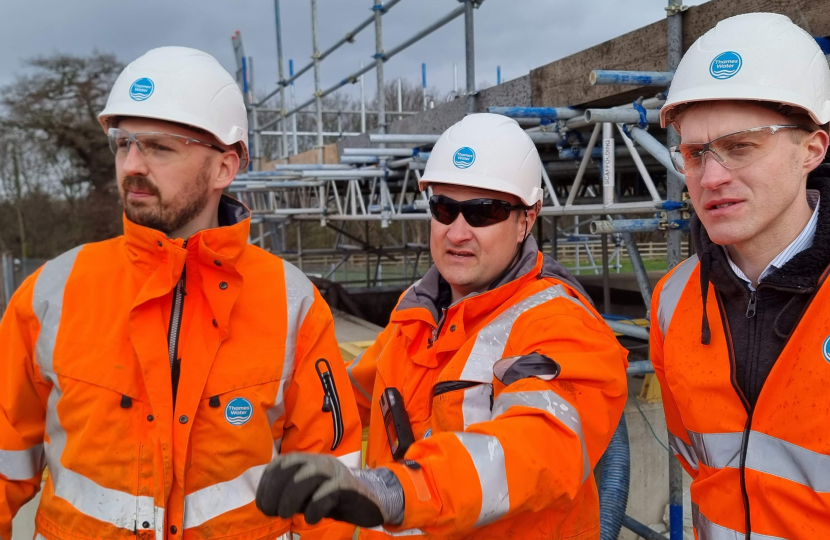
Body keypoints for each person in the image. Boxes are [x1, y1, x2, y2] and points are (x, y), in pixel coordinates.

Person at [0, 46, 361, 540]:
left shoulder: (291, 303)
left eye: (158, 147)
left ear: (223, 168)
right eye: (123, 143)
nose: (131, 165)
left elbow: (329, 490)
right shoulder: (50, 294)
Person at [255, 113, 629, 539]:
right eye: (445, 208)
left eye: (484, 212)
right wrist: (255, 407)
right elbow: (346, 398)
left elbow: (535, 448)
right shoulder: (418, 311)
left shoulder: (561, 325)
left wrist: (399, 489)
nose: (457, 232)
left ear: (527, 219)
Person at [651, 13, 830, 540]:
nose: (711, 177)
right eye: (694, 152)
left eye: (741, 146)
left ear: (812, 150)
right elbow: (697, 458)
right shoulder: (674, 300)